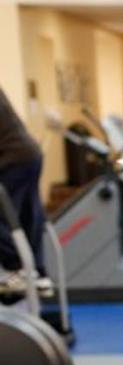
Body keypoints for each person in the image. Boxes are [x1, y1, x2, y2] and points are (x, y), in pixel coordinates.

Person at [0, 86, 47, 285]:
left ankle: (16, 267)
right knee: (27, 214)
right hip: (29, 153)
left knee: (5, 214)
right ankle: (37, 271)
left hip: (12, 155)